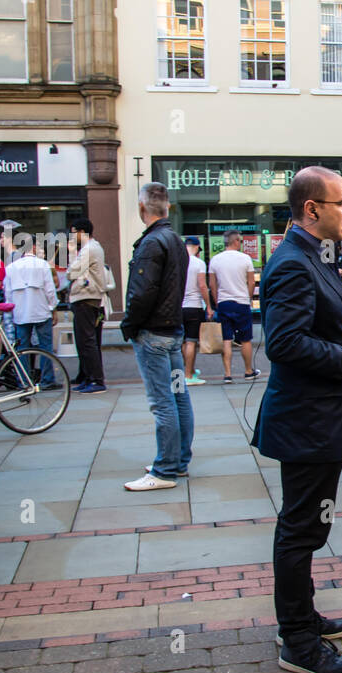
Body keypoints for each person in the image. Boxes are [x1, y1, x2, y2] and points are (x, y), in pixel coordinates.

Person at [253, 166, 342, 673]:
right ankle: (298, 642)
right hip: (305, 422)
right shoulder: (293, 262)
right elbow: (284, 344)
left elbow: (320, 329)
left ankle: (302, 616)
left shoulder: (313, 256)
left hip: (321, 418)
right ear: (312, 209)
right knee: (300, 529)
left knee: (309, 526)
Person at [120, 182, 194, 491]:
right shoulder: (175, 240)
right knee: (178, 397)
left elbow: (142, 292)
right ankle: (177, 461)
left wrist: (130, 324)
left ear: (142, 208)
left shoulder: (151, 243)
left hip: (153, 334)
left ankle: (164, 470)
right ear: (167, 207)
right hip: (172, 333)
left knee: (163, 401)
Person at [3, 237, 61, 391]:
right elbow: (50, 291)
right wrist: (53, 309)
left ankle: (24, 381)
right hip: (41, 311)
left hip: (20, 314)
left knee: (22, 348)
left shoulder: (11, 268)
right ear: (34, 247)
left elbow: (7, 294)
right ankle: (47, 380)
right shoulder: (42, 265)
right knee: (45, 347)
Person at [207, 230, 259, 382]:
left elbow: (212, 284)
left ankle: (227, 374)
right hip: (242, 302)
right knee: (246, 339)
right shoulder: (245, 259)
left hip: (224, 302)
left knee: (226, 339)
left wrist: (217, 301)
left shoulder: (215, 260)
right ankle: (248, 371)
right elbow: (251, 282)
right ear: (236, 241)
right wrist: (248, 298)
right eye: (240, 241)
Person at [66, 218, 107, 393]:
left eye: (74, 232)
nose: (72, 235)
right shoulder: (91, 248)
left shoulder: (89, 249)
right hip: (87, 298)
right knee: (86, 341)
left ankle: (96, 380)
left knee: (87, 341)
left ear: (82, 232)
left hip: (86, 298)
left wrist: (72, 255)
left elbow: (71, 272)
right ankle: (88, 378)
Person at [181, 236, 211, 385]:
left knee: (182, 342)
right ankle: (188, 376)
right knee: (191, 342)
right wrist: (209, 306)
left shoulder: (177, 262)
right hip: (194, 306)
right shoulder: (199, 263)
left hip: (178, 307)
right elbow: (202, 286)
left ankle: (189, 370)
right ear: (197, 248)